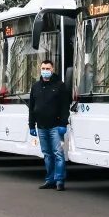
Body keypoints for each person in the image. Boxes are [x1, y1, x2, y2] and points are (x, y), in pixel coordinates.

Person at [29, 59, 71, 190]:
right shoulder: (35, 86)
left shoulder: (60, 86)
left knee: (58, 153)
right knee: (47, 154)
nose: (45, 71)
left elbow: (65, 107)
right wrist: (31, 125)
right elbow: (32, 107)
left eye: (48, 69)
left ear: (52, 70)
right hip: (41, 126)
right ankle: (50, 179)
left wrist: (63, 123)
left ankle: (59, 180)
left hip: (55, 126)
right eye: (43, 69)